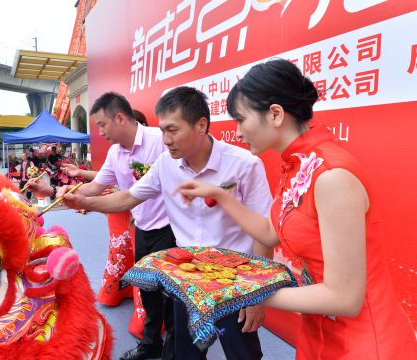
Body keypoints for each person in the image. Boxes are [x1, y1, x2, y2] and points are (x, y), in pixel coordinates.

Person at [173, 60, 417, 359]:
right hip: (319, 330)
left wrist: (246, 290)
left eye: (241, 119)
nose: (236, 132)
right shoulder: (298, 167)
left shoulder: (330, 176)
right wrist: (220, 196)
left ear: (275, 114)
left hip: (364, 342)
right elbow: (269, 232)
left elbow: (345, 298)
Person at [59, 87, 272, 360]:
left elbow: (265, 234)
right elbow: (127, 198)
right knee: (187, 353)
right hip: (186, 278)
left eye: (173, 130)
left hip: (234, 281)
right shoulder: (165, 165)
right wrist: (85, 202)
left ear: (201, 125)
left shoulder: (244, 165)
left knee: (242, 353)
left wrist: (257, 296)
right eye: (162, 131)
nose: (166, 140)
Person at [29, 92, 176, 360]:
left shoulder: (160, 140)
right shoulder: (115, 153)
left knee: (171, 297)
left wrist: (83, 200)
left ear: (120, 118)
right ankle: (150, 345)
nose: (99, 132)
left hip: (171, 229)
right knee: (149, 292)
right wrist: (54, 191)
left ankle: (174, 351)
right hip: (142, 228)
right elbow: (95, 187)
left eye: (102, 125)